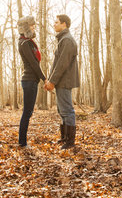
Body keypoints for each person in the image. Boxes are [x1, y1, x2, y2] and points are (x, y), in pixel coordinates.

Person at [44, 14, 80, 149]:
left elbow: (62, 64)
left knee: (67, 110)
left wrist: (52, 81)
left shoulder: (67, 40)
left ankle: (70, 142)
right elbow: (57, 63)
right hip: (60, 80)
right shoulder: (63, 39)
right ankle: (64, 138)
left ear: (64, 24)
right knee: (61, 110)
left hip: (65, 80)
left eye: (56, 22)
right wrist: (50, 80)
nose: (54, 24)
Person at [17, 15, 46, 147]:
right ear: (26, 27)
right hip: (29, 80)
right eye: (32, 25)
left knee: (28, 112)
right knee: (27, 112)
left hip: (32, 81)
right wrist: (45, 79)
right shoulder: (24, 43)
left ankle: (22, 141)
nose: (34, 27)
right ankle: (22, 142)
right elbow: (34, 64)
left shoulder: (28, 42)